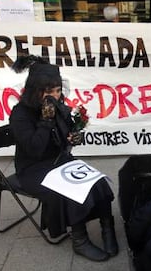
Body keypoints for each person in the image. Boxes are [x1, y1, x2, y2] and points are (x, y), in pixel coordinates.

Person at [9, 55, 118, 261]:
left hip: (58, 161)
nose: (55, 96)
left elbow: (65, 138)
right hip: (33, 168)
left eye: (58, 90)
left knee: (97, 180)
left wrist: (73, 136)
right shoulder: (20, 114)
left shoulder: (58, 106)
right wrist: (45, 121)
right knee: (71, 188)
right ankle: (80, 240)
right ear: (35, 90)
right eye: (49, 91)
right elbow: (34, 149)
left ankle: (107, 228)